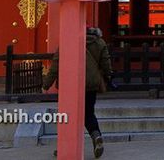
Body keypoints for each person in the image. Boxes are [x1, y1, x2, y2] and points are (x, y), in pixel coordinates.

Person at [44, 26, 113, 158]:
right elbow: (106, 62)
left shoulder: (68, 41)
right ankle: (96, 134)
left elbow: (56, 65)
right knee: (88, 113)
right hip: (91, 83)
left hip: (70, 83)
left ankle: (65, 146)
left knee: (67, 115)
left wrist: (46, 84)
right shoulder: (99, 42)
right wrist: (108, 75)